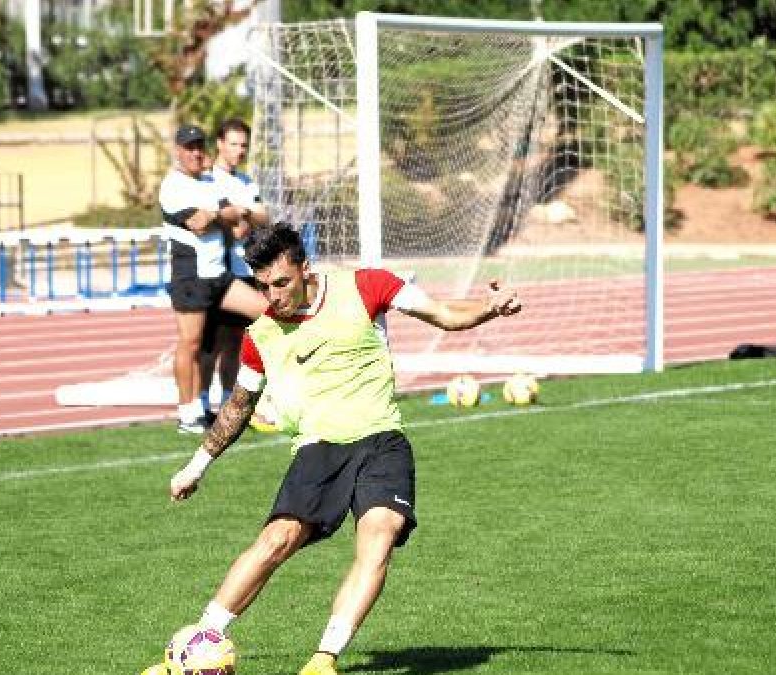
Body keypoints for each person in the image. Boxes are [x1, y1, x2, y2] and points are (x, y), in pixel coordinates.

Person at [152, 225, 523, 675]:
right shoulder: (262, 334)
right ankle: (196, 645)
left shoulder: (368, 286)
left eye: (282, 283)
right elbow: (238, 407)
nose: (273, 296)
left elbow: (445, 314)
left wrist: (490, 307)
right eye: (264, 287)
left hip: (382, 439)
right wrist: (196, 466)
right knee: (278, 539)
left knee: (380, 535)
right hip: (318, 450)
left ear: (305, 268)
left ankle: (323, 659)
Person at [158, 123, 270, 434]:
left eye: (199, 146)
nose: (195, 152)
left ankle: (250, 400)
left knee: (266, 312)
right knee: (192, 343)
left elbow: (235, 222)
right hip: (190, 275)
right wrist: (220, 215)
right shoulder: (173, 185)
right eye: (189, 147)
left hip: (219, 274)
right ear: (178, 151)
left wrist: (220, 215)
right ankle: (189, 412)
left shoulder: (208, 181)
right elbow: (198, 223)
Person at [198, 118, 270, 418]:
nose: (239, 150)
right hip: (217, 271)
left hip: (244, 270)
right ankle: (200, 405)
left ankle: (229, 404)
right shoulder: (207, 180)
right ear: (219, 144)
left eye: (244, 145)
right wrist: (236, 219)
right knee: (209, 345)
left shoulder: (246, 181)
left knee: (234, 342)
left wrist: (244, 213)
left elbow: (263, 217)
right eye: (233, 144)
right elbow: (222, 224)